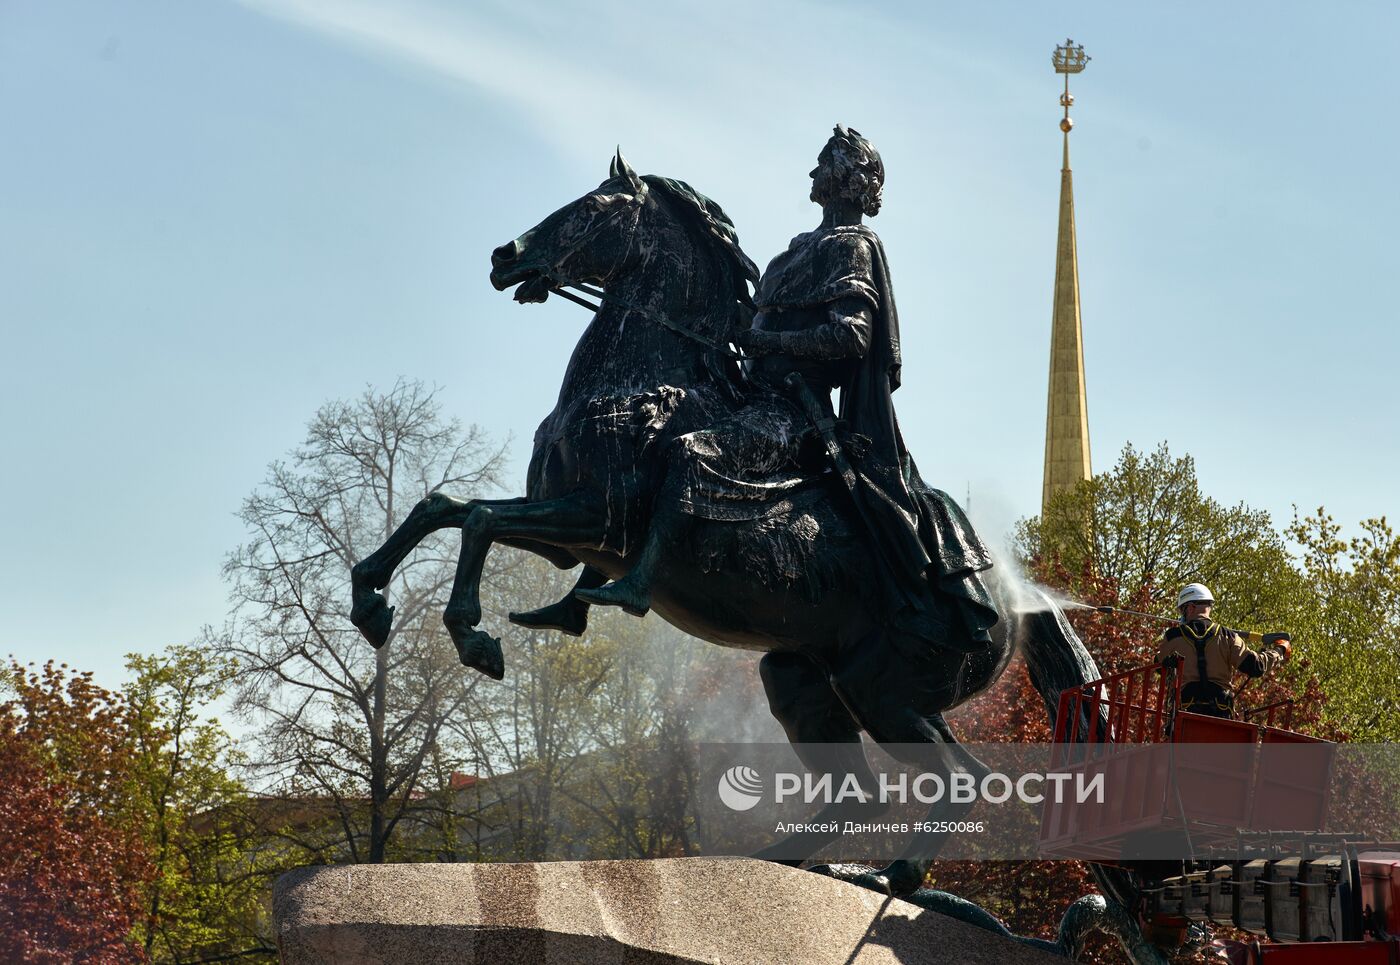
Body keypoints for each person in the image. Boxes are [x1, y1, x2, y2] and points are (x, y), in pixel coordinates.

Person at [570, 126, 998, 651]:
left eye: (824, 165)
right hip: (754, 391)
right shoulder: (795, 251)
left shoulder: (851, 247)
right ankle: (577, 601)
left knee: (688, 453)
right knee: (646, 443)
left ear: (846, 180)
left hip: (794, 410)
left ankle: (639, 586)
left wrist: (762, 338)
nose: (814, 174)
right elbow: (763, 321)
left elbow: (852, 336)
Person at [1156, 583, 1291, 719]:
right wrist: (1279, 650)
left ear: (1191, 608)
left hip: (1186, 714)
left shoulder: (1173, 636)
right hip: (1220, 715)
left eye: (1182, 610)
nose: (1181, 615)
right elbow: (1256, 666)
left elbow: (1158, 664)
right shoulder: (1228, 636)